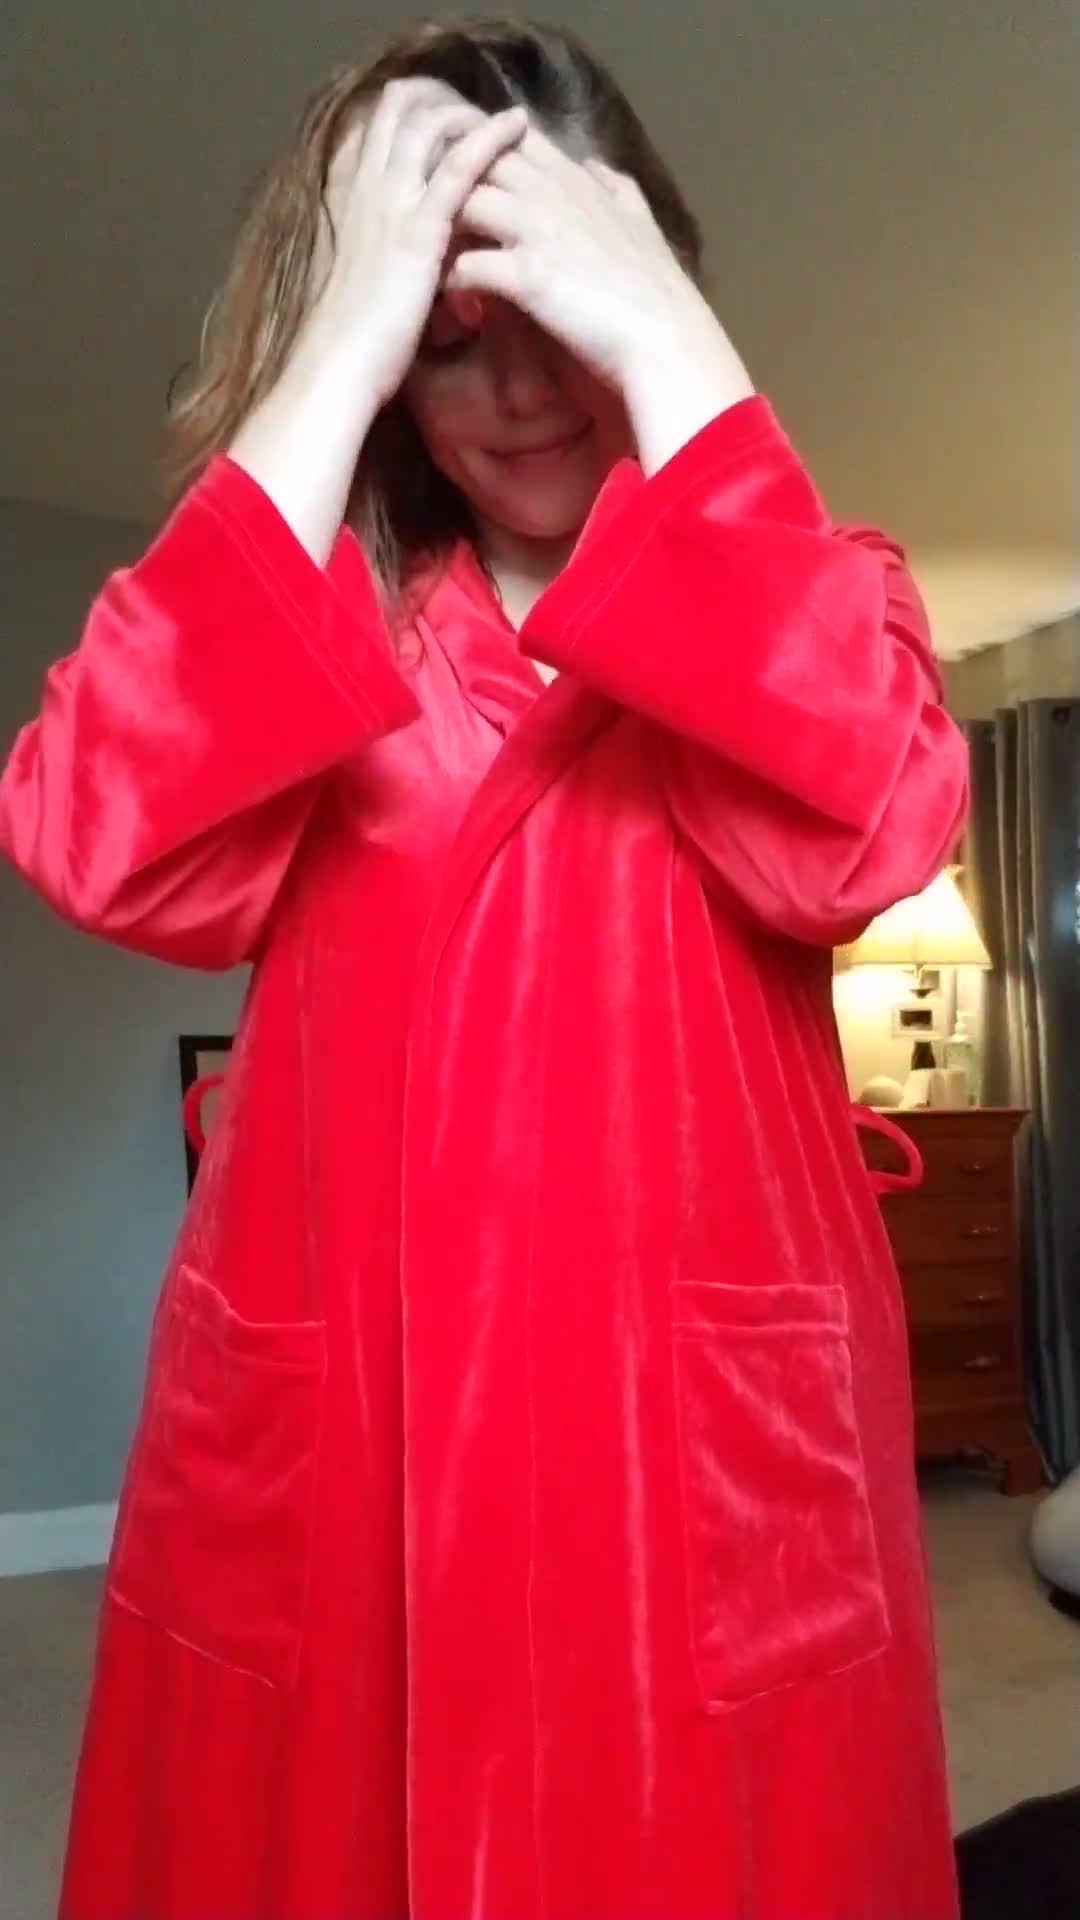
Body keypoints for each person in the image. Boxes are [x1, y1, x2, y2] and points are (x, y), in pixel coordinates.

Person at [0, 19, 968, 1920]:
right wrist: (339, 332)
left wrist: (676, 344)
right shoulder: (322, 625)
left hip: (692, 1485)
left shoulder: (817, 594)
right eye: (450, 343)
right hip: (348, 1464)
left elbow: (870, 830)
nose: (520, 392)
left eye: (560, 316)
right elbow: (94, 830)